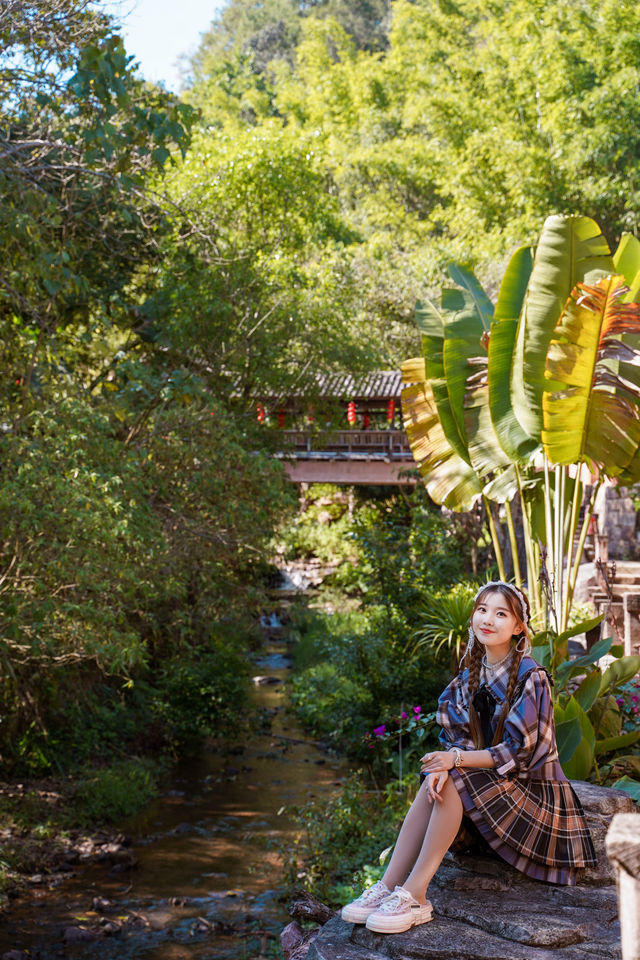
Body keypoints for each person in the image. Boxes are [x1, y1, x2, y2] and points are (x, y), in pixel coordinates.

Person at [340, 580, 596, 935]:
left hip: (534, 795)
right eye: (482, 610)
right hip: (493, 789)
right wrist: (446, 764)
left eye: (501, 613)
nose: (488, 619)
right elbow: (457, 739)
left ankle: (416, 895)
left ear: (519, 626)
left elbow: (518, 753)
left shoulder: (531, 677)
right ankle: (388, 885)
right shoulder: (468, 677)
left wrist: (454, 760)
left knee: (453, 772)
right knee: (436, 778)